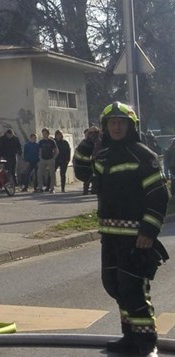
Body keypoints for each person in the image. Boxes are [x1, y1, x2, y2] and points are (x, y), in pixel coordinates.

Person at [95, 102, 169, 356]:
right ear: (106, 126)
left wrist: (148, 232)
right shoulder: (104, 155)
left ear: (130, 126)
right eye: (112, 122)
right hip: (110, 237)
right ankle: (129, 337)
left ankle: (147, 342)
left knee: (134, 290)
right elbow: (84, 173)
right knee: (114, 285)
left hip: (136, 238)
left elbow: (159, 196)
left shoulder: (143, 155)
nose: (116, 126)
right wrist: (86, 145)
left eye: (121, 122)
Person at [73, 126, 101, 195]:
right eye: (91, 133)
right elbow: (96, 151)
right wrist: (92, 159)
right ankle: (93, 189)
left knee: (90, 175)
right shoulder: (90, 142)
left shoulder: (87, 141)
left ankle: (89, 189)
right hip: (83, 164)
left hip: (82, 164)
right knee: (94, 174)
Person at [36, 128, 58, 192]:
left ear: (48, 134)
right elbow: (40, 150)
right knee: (39, 173)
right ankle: (40, 187)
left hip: (50, 159)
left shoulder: (52, 141)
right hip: (43, 159)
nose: (44, 135)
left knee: (52, 174)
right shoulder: (41, 142)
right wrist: (40, 157)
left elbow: (56, 151)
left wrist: (53, 158)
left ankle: (52, 188)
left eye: (45, 133)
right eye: (43, 134)